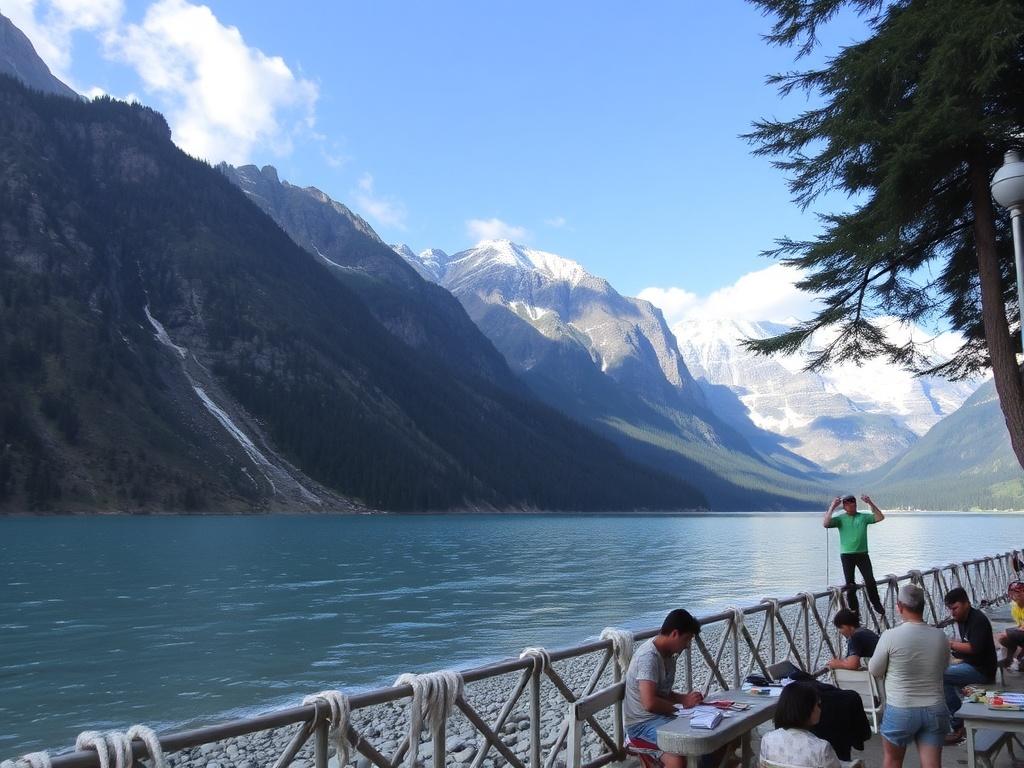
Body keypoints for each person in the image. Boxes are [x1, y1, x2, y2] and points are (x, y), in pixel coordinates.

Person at [623, 609, 728, 768]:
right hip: (641, 725)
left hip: (661, 718)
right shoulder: (648, 657)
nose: (687, 646)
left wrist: (684, 699)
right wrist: (679, 709)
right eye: (686, 639)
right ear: (674, 634)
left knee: (716, 736)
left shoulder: (668, 654)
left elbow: (662, 692)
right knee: (681, 753)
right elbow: (649, 703)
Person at [868, 584, 950, 768]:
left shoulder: (890, 636)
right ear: (923, 606)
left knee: (893, 760)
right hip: (935, 708)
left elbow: (874, 670)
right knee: (932, 765)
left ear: (899, 607)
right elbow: (944, 667)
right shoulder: (940, 636)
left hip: (901, 708)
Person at [943, 586, 997, 742]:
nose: (952, 613)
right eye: (950, 609)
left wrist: (950, 644)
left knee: (941, 676)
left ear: (966, 603)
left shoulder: (978, 619)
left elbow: (974, 648)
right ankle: (961, 716)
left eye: (955, 608)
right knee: (942, 672)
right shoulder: (962, 619)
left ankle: (958, 726)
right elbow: (966, 645)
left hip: (982, 670)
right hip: (972, 664)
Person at [823, 494, 886, 617]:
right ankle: (854, 612)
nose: (851, 506)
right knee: (850, 585)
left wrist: (870, 503)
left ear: (856, 505)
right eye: (848, 505)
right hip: (847, 555)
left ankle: (876, 603)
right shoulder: (840, 519)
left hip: (862, 554)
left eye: (853, 504)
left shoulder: (863, 517)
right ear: (845, 507)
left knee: (870, 580)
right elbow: (825, 524)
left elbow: (880, 517)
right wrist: (832, 507)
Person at [759, 681, 841, 768]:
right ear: (806, 709)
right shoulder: (821, 748)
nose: (820, 709)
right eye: (817, 705)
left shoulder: (767, 739)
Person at [996, 580, 1024, 673]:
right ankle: (1012, 650)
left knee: (1006, 633)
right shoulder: (1015, 607)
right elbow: (1020, 625)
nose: (1014, 596)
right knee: (1002, 637)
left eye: (1018, 593)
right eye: (1012, 594)